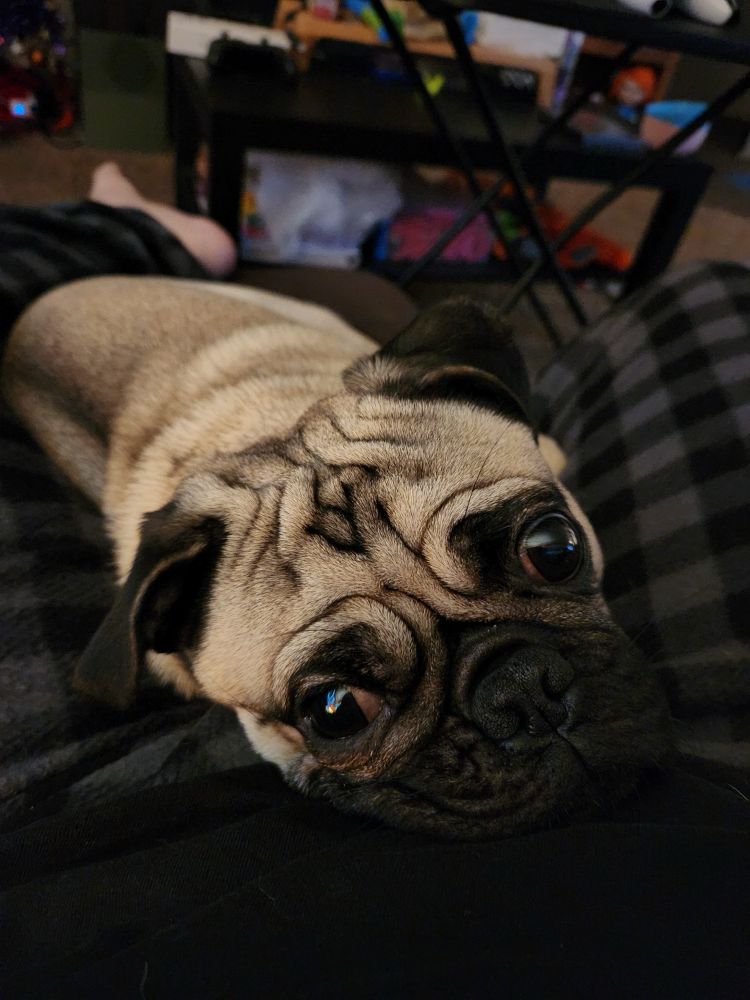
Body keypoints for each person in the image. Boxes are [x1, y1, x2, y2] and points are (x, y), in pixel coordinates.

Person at [1, 165, 748, 998]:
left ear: (497, 402)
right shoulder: (198, 582)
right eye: (342, 707)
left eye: (545, 553)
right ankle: (146, 222)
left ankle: (147, 224)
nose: (527, 702)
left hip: (263, 345)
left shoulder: (420, 415)